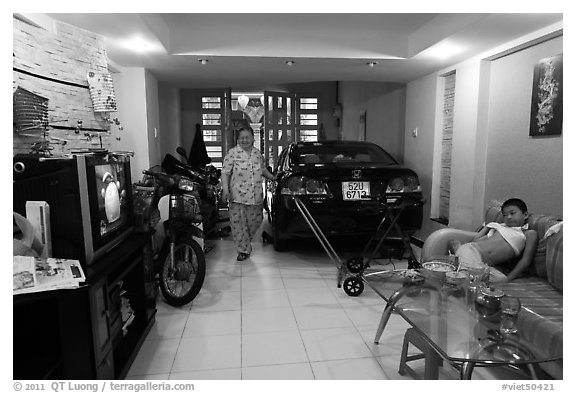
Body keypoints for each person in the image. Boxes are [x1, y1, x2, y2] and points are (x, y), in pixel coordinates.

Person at [221, 127, 275, 261]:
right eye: (242, 138)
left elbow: (262, 170)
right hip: (237, 196)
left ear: (253, 139)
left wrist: (273, 177)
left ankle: (244, 242)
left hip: (255, 196)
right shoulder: (232, 153)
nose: (245, 140)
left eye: (247, 137)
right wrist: (226, 190)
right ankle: (243, 249)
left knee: (256, 221)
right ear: (238, 140)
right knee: (238, 224)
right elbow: (225, 172)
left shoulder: (257, 154)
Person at [454, 198, 538, 283]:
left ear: (525, 215)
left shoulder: (529, 234)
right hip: (472, 250)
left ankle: (463, 268)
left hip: (484, 264)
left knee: (499, 279)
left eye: (512, 213)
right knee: (468, 276)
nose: (508, 217)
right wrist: (488, 227)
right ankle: (464, 269)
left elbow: (526, 260)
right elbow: (476, 240)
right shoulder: (499, 227)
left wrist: (508, 278)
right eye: (504, 215)